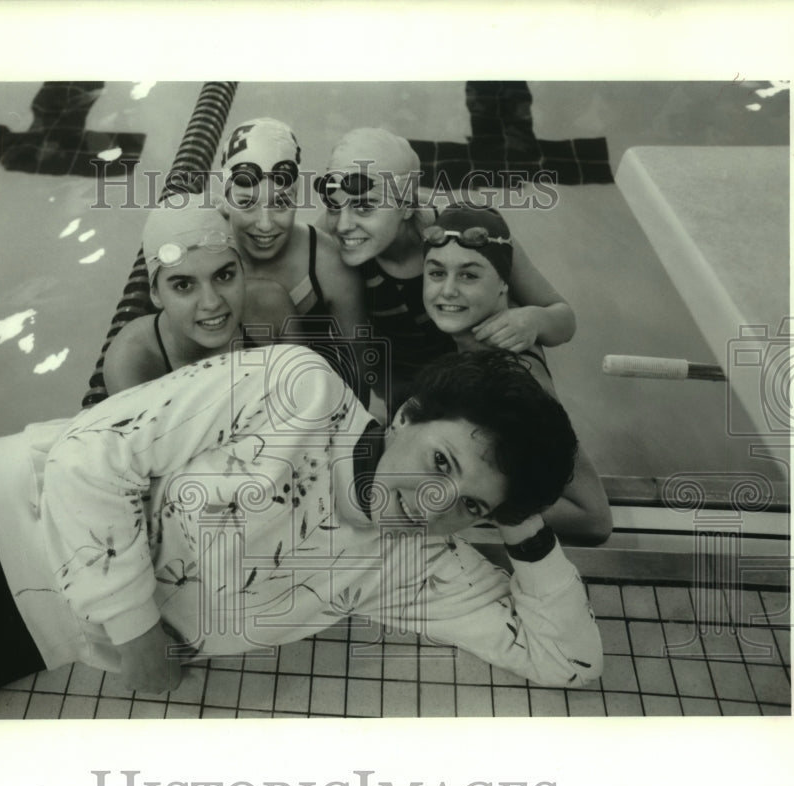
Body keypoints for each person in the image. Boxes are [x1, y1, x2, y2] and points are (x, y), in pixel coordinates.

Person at [0, 345, 601, 719]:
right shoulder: (299, 392)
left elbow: (567, 661)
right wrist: (138, 634)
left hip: (14, 641)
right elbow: (87, 458)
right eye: (440, 461)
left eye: (471, 505)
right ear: (404, 417)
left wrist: (526, 533)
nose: (435, 504)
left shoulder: (418, 564)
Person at [316, 127, 576, 410]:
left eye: (364, 208)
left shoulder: (466, 234)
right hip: (401, 388)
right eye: (333, 207)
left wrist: (533, 321)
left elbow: (564, 320)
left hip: (481, 367)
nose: (343, 225)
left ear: (406, 206)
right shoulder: (330, 241)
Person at [421, 204, 612, 544]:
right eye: (436, 273)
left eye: (469, 275)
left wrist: (472, 508)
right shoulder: (472, 341)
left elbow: (592, 516)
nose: (448, 290)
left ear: (504, 284)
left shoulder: (516, 377)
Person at [217, 117, 383, 418]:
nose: (265, 225)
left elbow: (359, 366)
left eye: (281, 204)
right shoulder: (207, 253)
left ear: (296, 200)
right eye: (247, 204)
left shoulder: (327, 264)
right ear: (225, 201)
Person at [103, 195, 287, 394]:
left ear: (243, 272)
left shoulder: (271, 307)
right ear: (155, 294)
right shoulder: (133, 361)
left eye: (224, 276)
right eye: (183, 285)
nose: (211, 302)